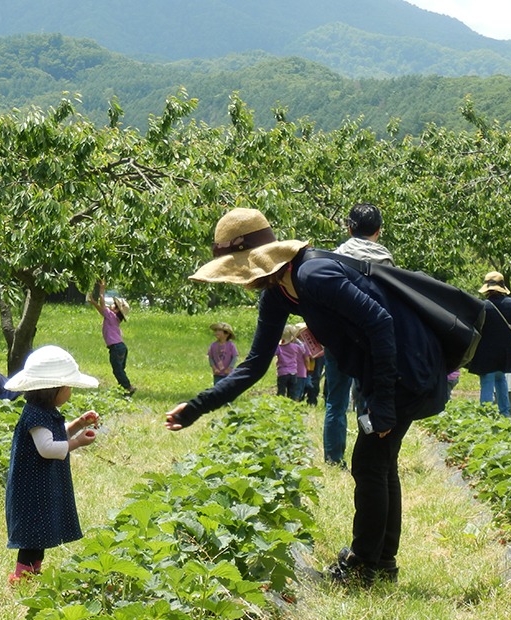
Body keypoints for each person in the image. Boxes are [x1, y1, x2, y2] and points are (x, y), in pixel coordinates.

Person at [165, 207, 448, 586]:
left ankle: (366, 566)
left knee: (369, 463)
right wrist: (197, 407)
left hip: (407, 367)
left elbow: (381, 323)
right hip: (386, 372)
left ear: (256, 259)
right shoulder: (279, 294)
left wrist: (381, 402)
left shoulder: (315, 274)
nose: (239, 280)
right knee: (377, 463)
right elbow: (253, 365)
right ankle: (380, 563)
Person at [2, 345, 100, 583]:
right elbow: (46, 448)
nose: (70, 392)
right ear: (52, 390)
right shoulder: (36, 415)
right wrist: (76, 442)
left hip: (40, 485)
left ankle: (33, 572)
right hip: (31, 488)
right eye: (67, 387)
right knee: (32, 533)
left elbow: (54, 436)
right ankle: (21, 575)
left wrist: (77, 424)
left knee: (40, 531)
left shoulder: (45, 411)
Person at [321, 203, 396, 465]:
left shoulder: (334, 257)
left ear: (349, 228)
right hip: (371, 338)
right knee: (368, 397)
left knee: (336, 400)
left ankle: (333, 458)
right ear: (379, 230)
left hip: (338, 337)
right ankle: (368, 456)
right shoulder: (385, 259)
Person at [467, 271, 511, 417]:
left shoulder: (482, 306)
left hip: (486, 354)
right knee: (501, 381)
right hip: (507, 353)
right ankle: (505, 415)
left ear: (487, 288)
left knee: (487, 383)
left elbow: (473, 330)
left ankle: (485, 417)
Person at [90, 279, 135, 395]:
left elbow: (102, 304)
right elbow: (101, 309)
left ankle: (128, 387)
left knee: (117, 370)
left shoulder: (111, 316)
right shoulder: (113, 318)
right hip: (121, 347)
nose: (111, 306)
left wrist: (102, 290)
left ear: (116, 310)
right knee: (120, 370)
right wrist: (92, 302)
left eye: (114, 305)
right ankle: (123, 388)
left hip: (116, 348)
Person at [274, 324, 306, 401]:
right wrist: (297, 340)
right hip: (293, 373)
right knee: (292, 393)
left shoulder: (279, 347)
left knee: (281, 392)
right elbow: (303, 350)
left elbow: (273, 353)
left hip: (282, 373)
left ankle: (280, 406)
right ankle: (291, 407)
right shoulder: (295, 347)